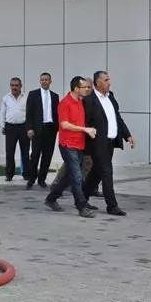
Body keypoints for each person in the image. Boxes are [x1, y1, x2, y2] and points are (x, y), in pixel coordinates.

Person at [81, 70, 134, 216]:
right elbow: (86, 121)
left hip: (110, 142)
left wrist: (127, 134)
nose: (109, 82)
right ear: (97, 82)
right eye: (105, 80)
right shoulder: (89, 100)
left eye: (109, 79)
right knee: (106, 172)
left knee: (97, 173)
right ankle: (112, 206)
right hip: (97, 142)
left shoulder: (111, 97)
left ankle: (81, 198)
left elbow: (117, 117)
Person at [44, 76, 97, 218]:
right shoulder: (64, 103)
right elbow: (64, 124)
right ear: (76, 88)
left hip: (79, 144)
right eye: (84, 87)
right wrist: (85, 129)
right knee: (77, 176)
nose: (87, 89)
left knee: (70, 176)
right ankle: (81, 206)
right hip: (68, 145)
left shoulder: (80, 102)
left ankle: (51, 198)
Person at [24, 72, 59, 189]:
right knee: (35, 155)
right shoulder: (33, 94)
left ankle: (42, 179)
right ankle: (31, 178)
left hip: (50, 128)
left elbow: (56, 113)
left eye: (46, 80)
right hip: (37, 129)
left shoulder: (55, 96)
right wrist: (29, 128)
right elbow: (29, 113)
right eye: (42, 80)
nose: (44, 81)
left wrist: (57, 128)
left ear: (50, 81)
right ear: (40, 81)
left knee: (47, 155)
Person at [0, 77, 29, 181]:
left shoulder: (26, 98)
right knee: (10, 152)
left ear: (20, 86)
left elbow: (29, 114)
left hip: (23, 127)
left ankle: (26, 174)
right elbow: (2, 113)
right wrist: (2, 126)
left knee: (25, 151)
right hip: (10, 127)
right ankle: (9, 174)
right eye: (12, 85)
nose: (14, 87)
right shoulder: (6, 98)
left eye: (16, 85)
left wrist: (30, 128)